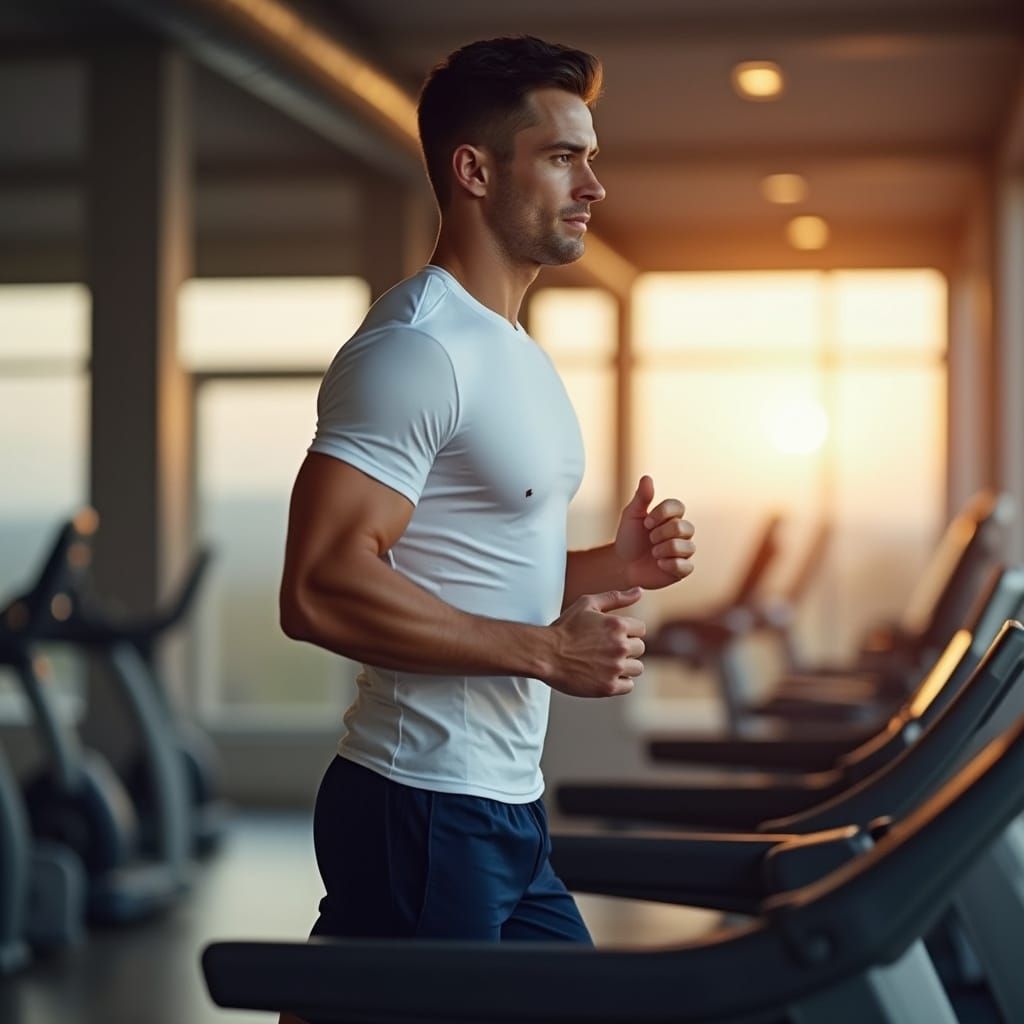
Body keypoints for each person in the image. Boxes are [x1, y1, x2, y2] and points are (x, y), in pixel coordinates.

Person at [276, 34, 695, 1023]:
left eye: (589, 155)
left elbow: (484, 564)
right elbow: (318, 583)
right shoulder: (414, 349)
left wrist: (611, 563)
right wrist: (545, 651)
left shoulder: (514, 351)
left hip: (502, 800)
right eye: (561, 156)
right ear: (473, 170)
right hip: (420, 797)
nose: (593, 182)